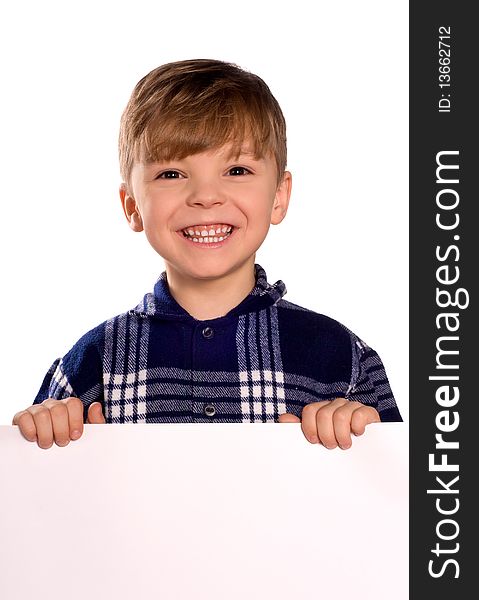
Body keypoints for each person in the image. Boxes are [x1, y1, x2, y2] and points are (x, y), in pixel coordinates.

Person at [12, 58, 402, 450]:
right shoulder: (94, 362)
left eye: (236, 170)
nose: (205, 196)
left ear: (279, 196)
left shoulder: (340, 356)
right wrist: (43, 432)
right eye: (171, 174)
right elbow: (32, 496)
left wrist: (364, 438)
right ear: (132, 205)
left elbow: (398, 496)